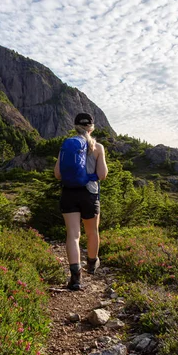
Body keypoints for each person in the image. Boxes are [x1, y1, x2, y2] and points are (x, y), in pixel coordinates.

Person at [54, 113, 108, 290]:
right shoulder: (98, 147)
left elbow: (58, 174)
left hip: (69, 193)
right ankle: (92, 264)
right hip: (89, 194)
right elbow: (102, 175)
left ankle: (75, 279)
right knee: (92, 232)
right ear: (91, 128)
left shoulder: (67, 145)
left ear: (75, 126)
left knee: (73, 236)